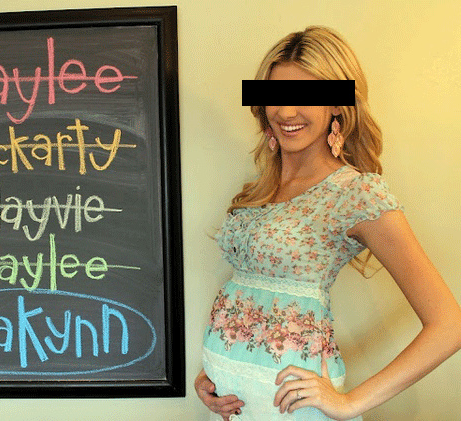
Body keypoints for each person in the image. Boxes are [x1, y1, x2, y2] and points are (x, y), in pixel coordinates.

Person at [194, 26, 461, 421]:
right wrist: (215, 371)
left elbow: (450, 325)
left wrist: (349, 403)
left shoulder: (355, 194)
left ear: (337, 104)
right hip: (233, 407)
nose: (286, 112)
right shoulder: (260, 189)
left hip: (290, 409)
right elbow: (251, 292)